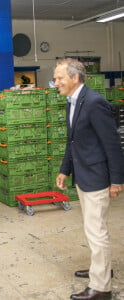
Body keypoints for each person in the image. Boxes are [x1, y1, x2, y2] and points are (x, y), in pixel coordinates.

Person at [54, 58, 124, 300]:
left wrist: (117, 180)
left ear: (75, 78)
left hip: (96, 176)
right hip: (82, 175)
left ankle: (101, 288)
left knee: (97, 232)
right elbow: (72, 141)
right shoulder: (71, 102)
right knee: (92, 229)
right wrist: (64, 169)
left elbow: (112, 144)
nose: (56, 83)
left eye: (60, 78)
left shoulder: (94, 103)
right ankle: (100, 270)